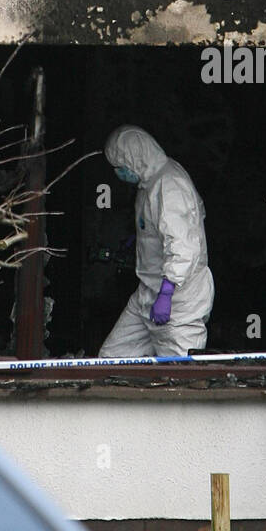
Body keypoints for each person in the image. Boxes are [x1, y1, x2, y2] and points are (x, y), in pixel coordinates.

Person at [98, 125, 214, 358]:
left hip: (179, 302)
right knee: (112, 358)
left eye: (120, 167)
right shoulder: (150, 182)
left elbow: (183, 246)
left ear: (135, 159)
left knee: (177, 377)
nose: (118, 173)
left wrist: (167, 293)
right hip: (148, 293)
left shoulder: (169, 185)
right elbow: (159, 226)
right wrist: (139, 240)